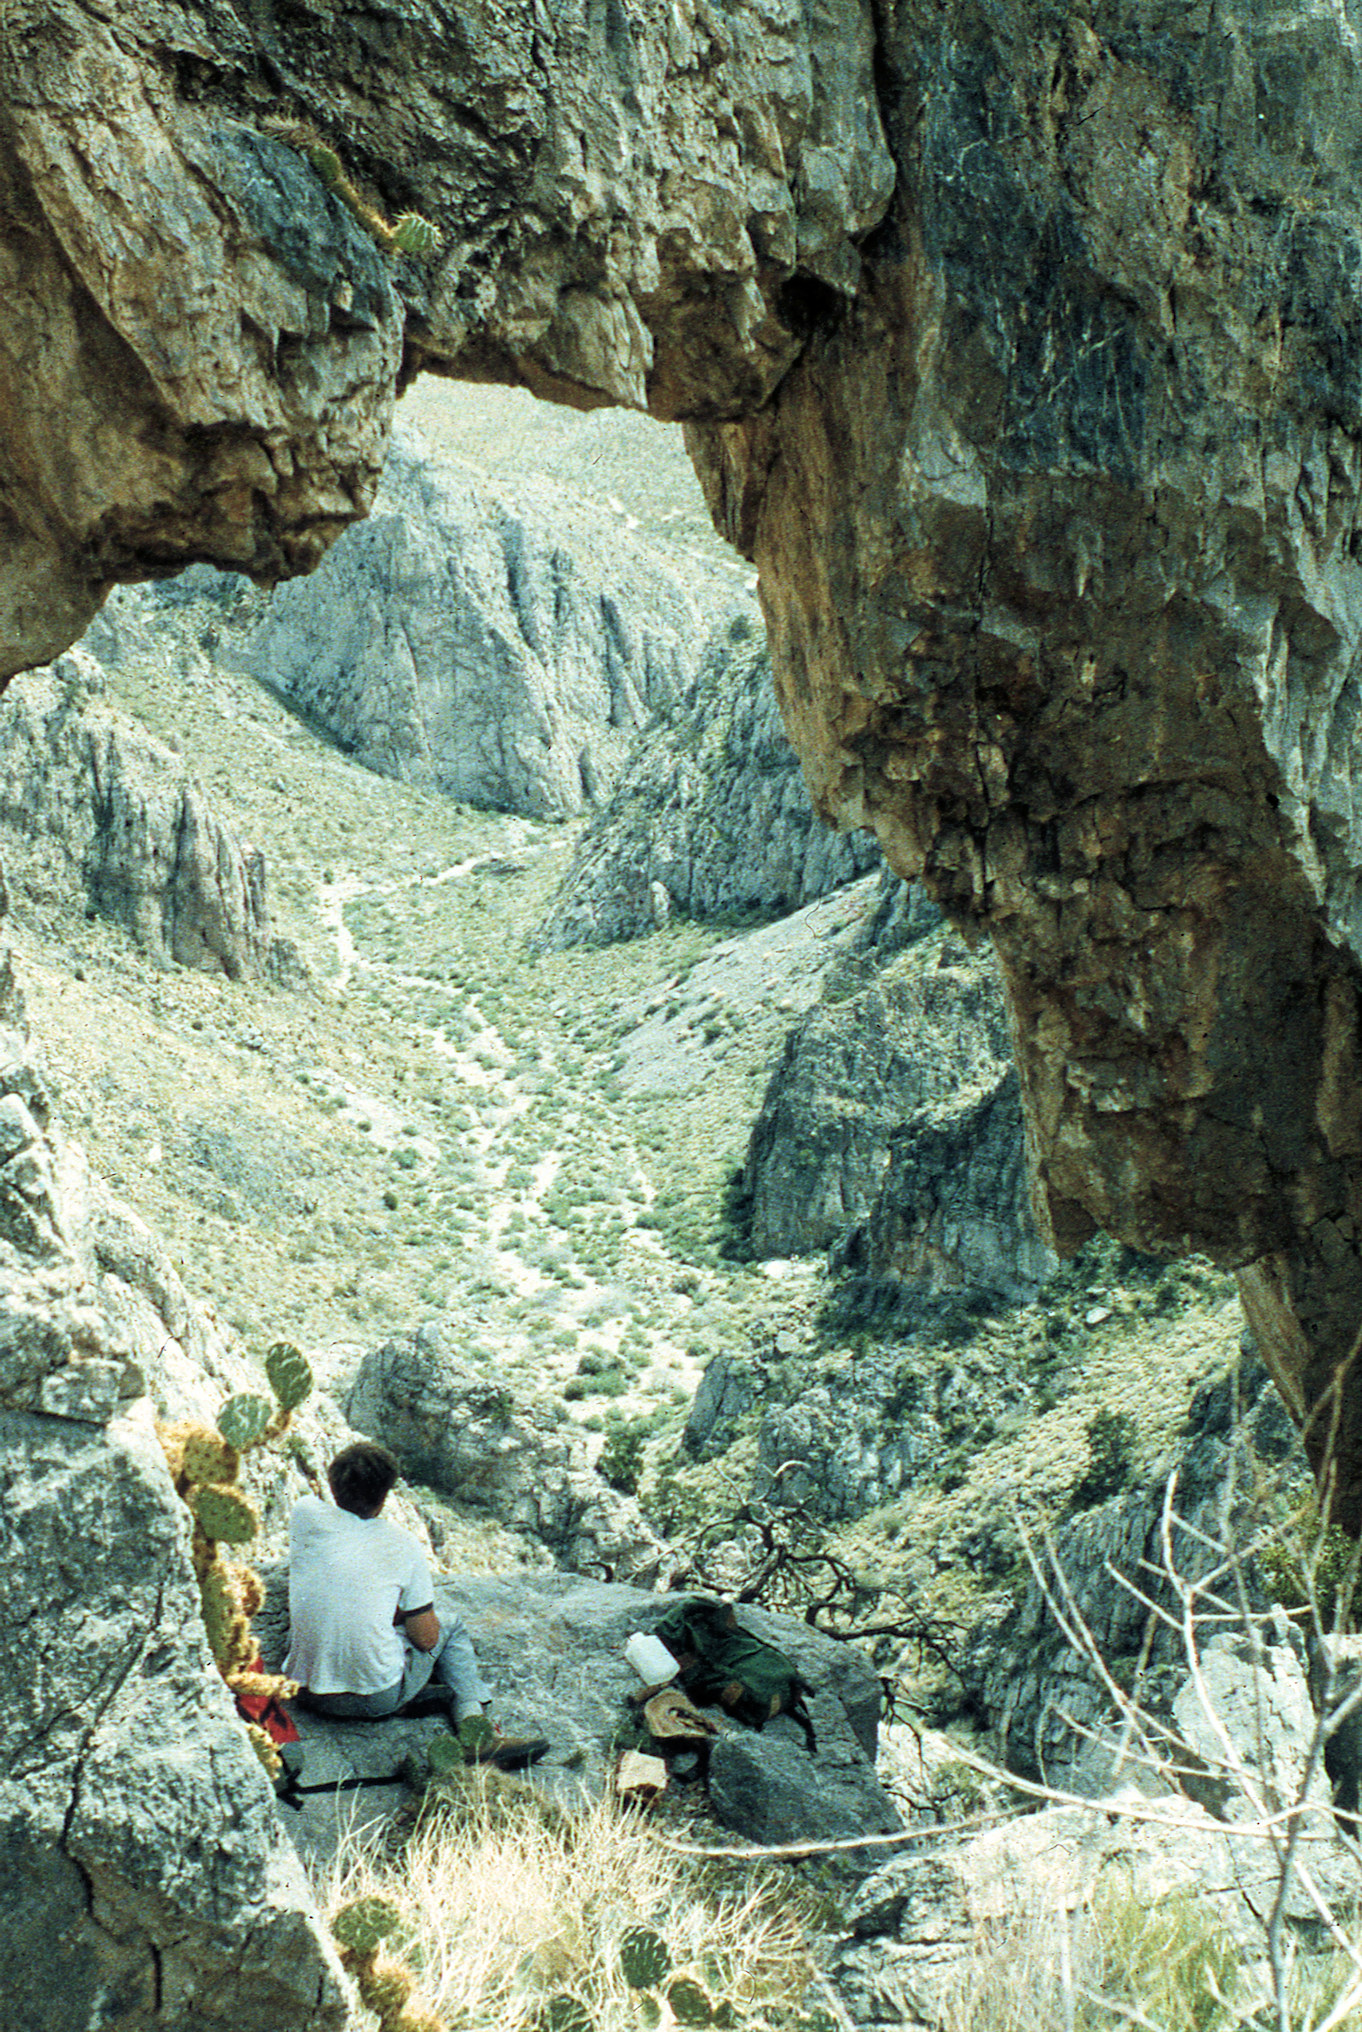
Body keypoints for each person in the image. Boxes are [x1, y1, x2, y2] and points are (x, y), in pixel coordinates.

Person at [283, 1439, 548, 1770]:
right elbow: (426, 1639)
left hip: (304, 1691)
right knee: (450, 1627)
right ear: (384, 1496)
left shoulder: (304, 1514)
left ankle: (411, 1699)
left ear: (333, 1483)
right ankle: (477, 1735)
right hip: (372, 1699)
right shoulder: (401, 1544)